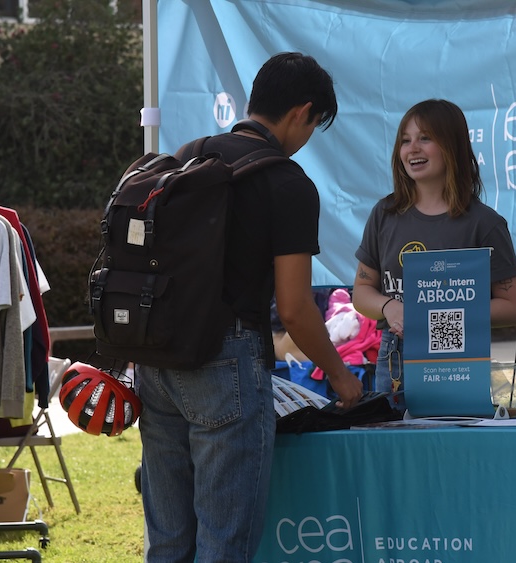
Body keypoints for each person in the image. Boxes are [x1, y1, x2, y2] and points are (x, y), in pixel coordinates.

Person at [134, 52, 363, 562]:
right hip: (225, 365)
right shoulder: (287, 182)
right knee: (224, 544)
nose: (306, 141)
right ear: (303, 112)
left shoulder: (188, 156)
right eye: (313, 127)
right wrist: (341, 378)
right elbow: (297, 308)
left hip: (156, 359)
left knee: (168, 542)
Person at [351, 99, 516, 411]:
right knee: (396, 455)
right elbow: (362, 292)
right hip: (395, 357)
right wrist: (389, 307)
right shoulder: (384, 215)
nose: (412, 148)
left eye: (425, 138)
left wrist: (444, 317)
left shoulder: (484, 224)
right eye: (405, 140)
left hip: (458, 358)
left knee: (455, 452)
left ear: (453, 146)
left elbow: (513, 308)